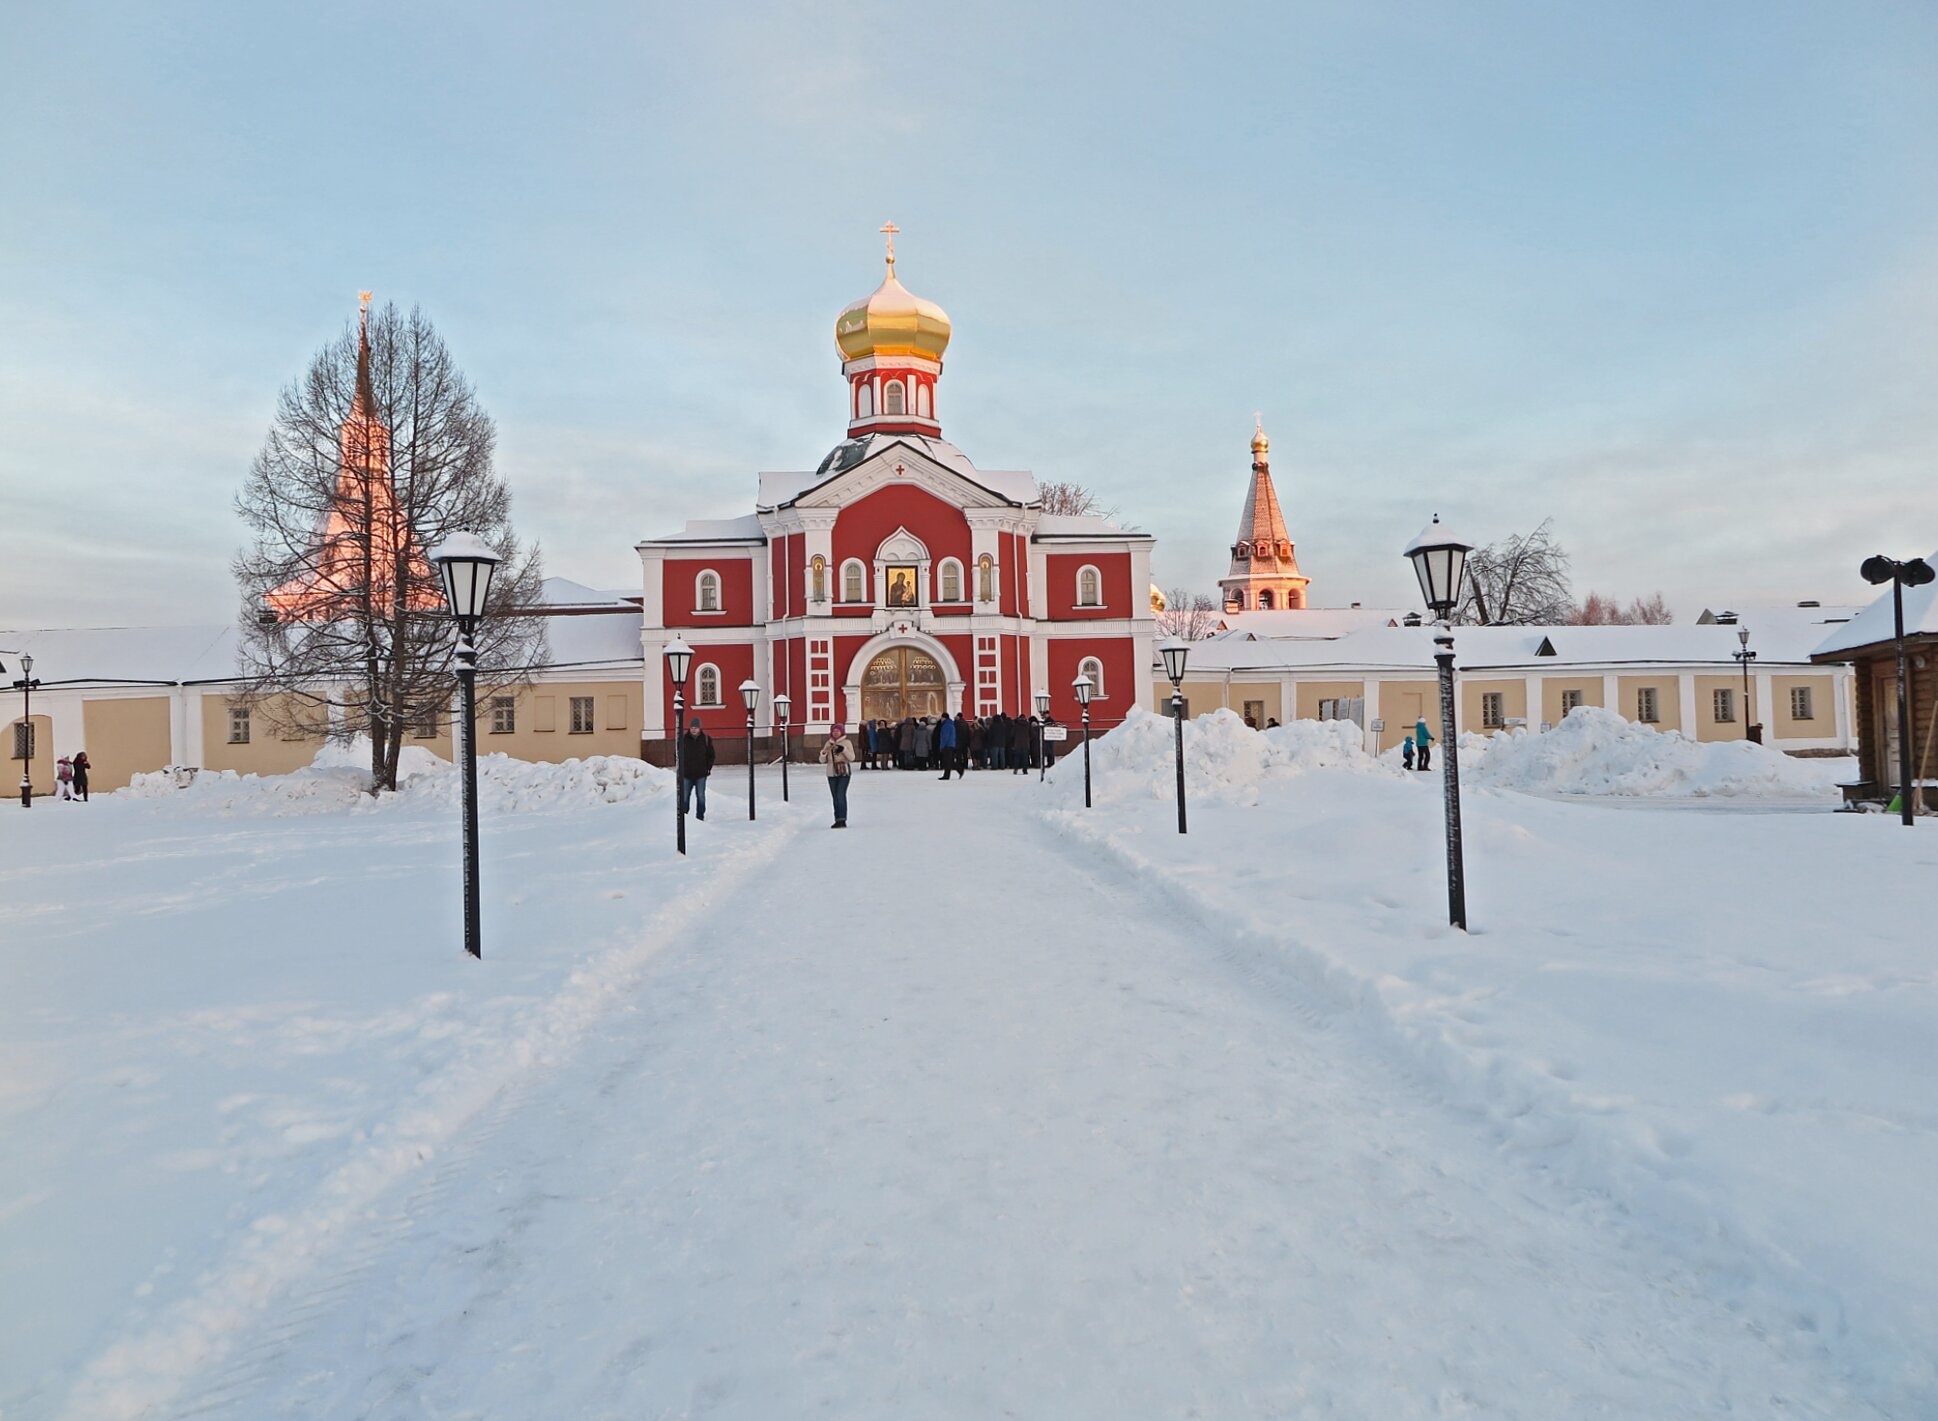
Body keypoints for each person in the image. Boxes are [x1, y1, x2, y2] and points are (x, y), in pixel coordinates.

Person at [819, 723, 856, 827]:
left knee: (840, 795)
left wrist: (843, 750)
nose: (835, 733)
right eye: (834, 731)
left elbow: (852, 758)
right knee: (835, 797)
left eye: (837, 731)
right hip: (831, 772)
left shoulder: (847, 742)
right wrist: (823, 753)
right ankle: (837, 819)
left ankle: (843, 820)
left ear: (842, 732)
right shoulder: (828, 743)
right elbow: (822, 761)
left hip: (844, 772)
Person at [678, 717, 715, 819]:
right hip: (686, 774)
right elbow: (677, 755)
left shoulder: (706, 739)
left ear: (700, 728)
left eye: (696, 727)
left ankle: (700, 817)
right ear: (689, 728)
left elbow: (711, 755)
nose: (694, 729)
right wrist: (681, 768)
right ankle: (684, 817)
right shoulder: (683, 739)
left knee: (701, 797)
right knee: (684, 798)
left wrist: (708, 768)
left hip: (701, 774)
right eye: (692, 727)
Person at [936, 711, 959, 780]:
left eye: (942, 718)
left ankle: (947, 775)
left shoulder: (946, 725)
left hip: (947, 745)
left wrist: (942, 746)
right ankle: (958, 770)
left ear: (944, 718)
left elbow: (944, 737)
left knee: (947, 761)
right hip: (951, 744)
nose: (941, 719)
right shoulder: (951, 724)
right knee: (949, 761)